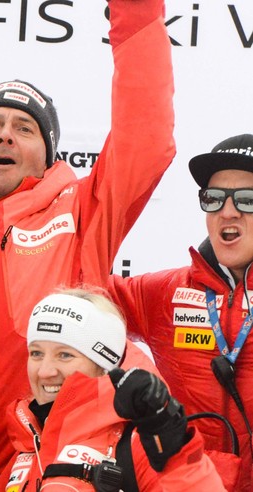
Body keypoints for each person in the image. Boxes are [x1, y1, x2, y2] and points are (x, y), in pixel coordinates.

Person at [0, 0, 176, 489]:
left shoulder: (84, 215)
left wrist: (136, 12)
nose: (5, 135)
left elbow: (145, 138)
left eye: (24, 129)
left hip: (43, 467)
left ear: (48, 156)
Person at [0, 289, 225, 491]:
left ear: (103, 363)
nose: (45, 370)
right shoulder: (25, 448)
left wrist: (176, 451)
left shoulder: (139, 440)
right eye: (36, 353)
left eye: (65, 355)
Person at [109, 133, 253, 491]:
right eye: (214, 198)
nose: (228, 211)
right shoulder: (165, 292)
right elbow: (78, 290)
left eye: (248, 199)